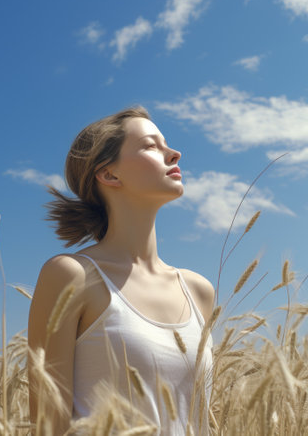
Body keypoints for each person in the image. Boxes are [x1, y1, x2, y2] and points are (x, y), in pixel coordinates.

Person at [27, 106, 215, 435]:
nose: (174, 153)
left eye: (166, 143)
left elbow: (202, 419)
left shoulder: (199, 291)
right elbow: (47, 424)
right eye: (151, 145)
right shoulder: (72, 276)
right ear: (109, 175)